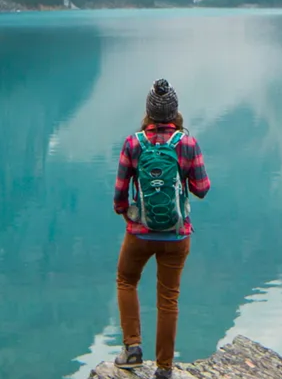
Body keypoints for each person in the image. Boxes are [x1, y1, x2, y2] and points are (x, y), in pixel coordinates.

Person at [112, 78, 210, 376]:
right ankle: (165, 369)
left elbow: (119, 196)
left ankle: (132, 349)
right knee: (168, 298)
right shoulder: (187, 144)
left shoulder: (133, 143)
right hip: (177, 235)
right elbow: (203, 188)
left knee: (126, 281)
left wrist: (129, 215)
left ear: (149, 112)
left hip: (140, 234)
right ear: (174, 112)